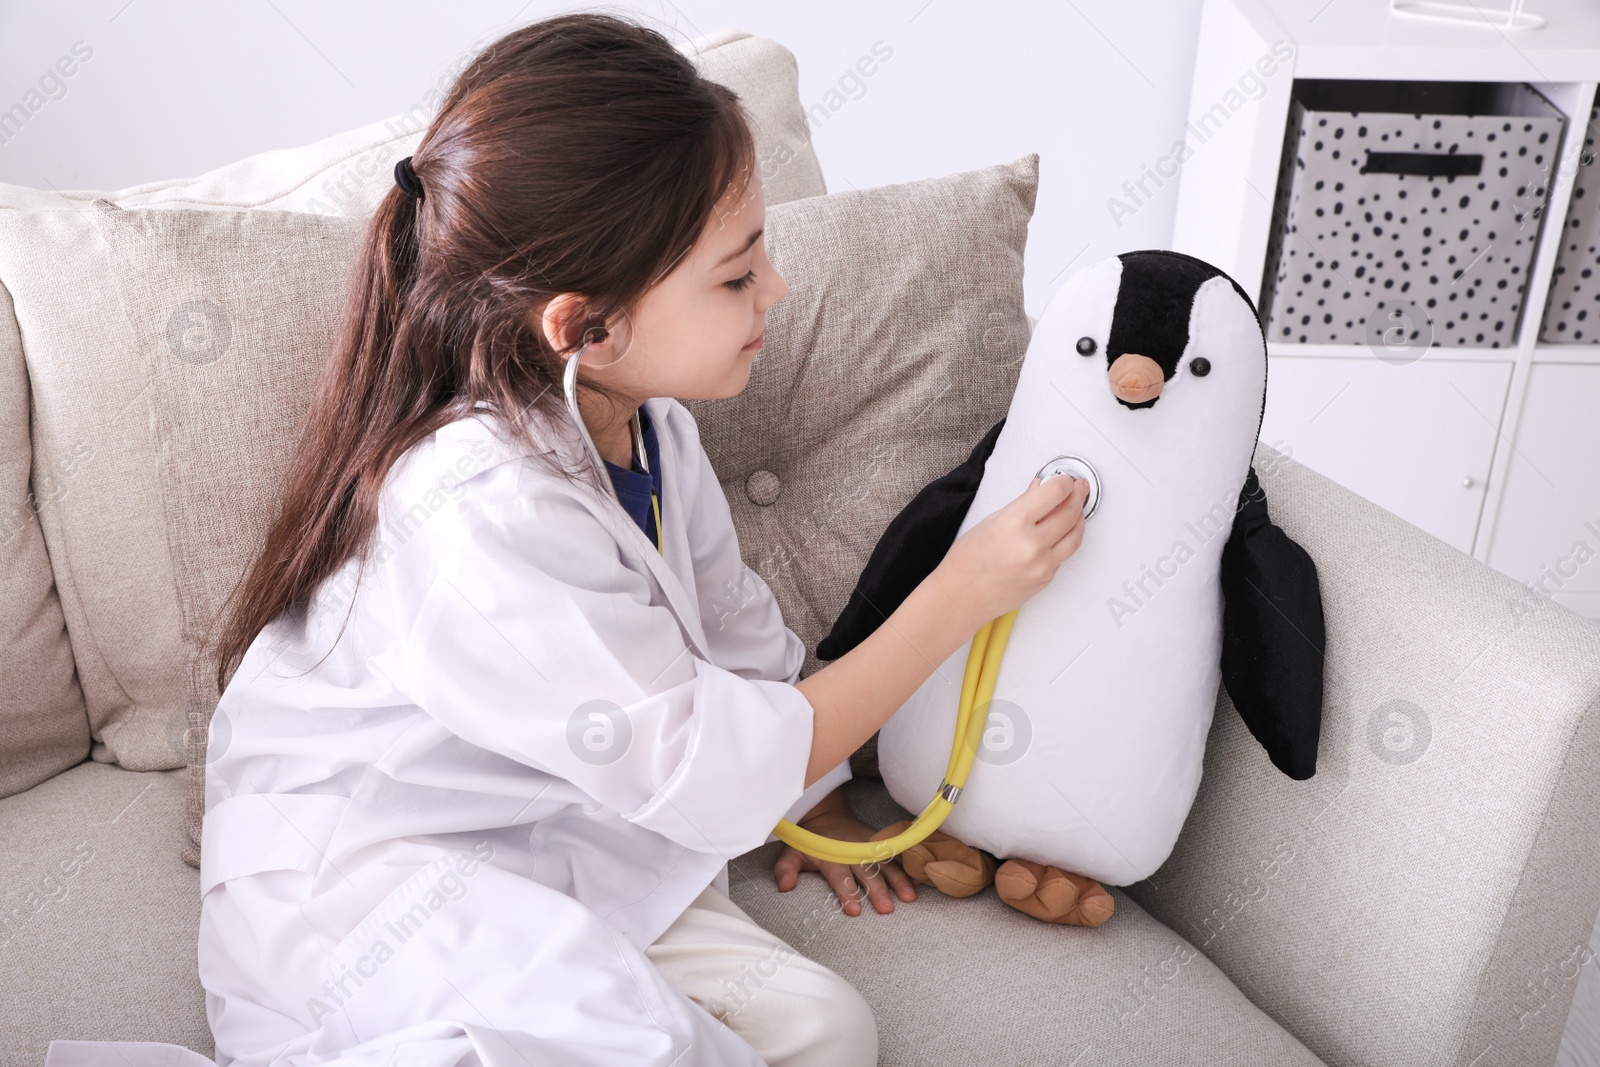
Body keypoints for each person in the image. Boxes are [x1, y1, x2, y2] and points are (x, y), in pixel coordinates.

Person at [44, 13, 1089, 1067]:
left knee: (825, 1028)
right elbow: (706, 761)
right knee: (644, 1047)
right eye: (735, 275)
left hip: (560, 830)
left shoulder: (653, 430)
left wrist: (810, 809)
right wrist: (962, 590)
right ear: (582, 325)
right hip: (377, 881)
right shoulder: (476, 504)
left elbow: (739, 652)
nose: (774, 288)